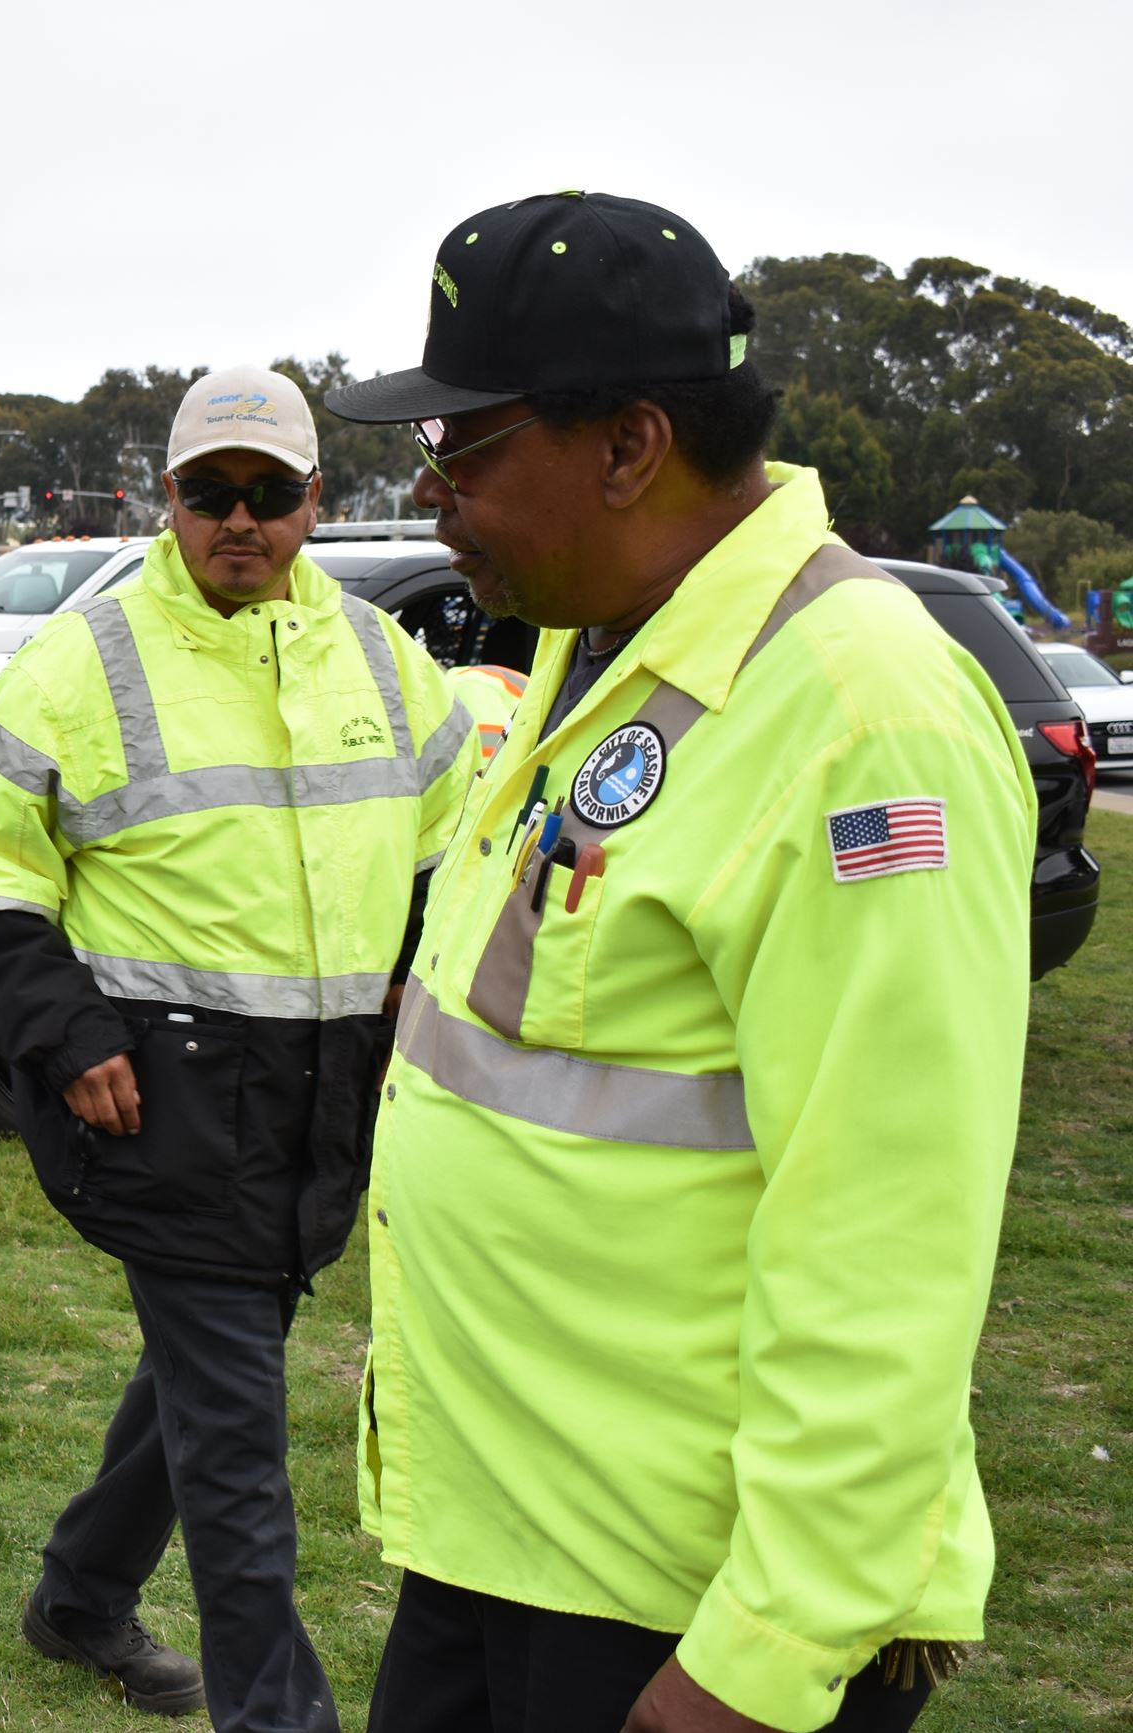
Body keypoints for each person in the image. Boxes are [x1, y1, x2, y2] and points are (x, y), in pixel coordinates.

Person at [323, 193, 1036, 1733]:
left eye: (465, 446)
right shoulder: (606, 638)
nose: (430, 491)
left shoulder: (861, 715)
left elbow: (889, 1238)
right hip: (513, 1536)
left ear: (630, 446)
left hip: (677, 1612)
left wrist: (760, 1655)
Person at [0, 365, 480, 1729]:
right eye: (212, 493)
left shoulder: (379, 658)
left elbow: (463, 844)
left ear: (313, 502)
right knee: (241, 1460)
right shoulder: (85, 657)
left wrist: (427, 986)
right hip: (157, 1109)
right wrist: (63, 1038)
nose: (244, 521)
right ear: (165, 498)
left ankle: (77, 1597)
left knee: (201, 1379)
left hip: (321, 1114)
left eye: (272, 494)